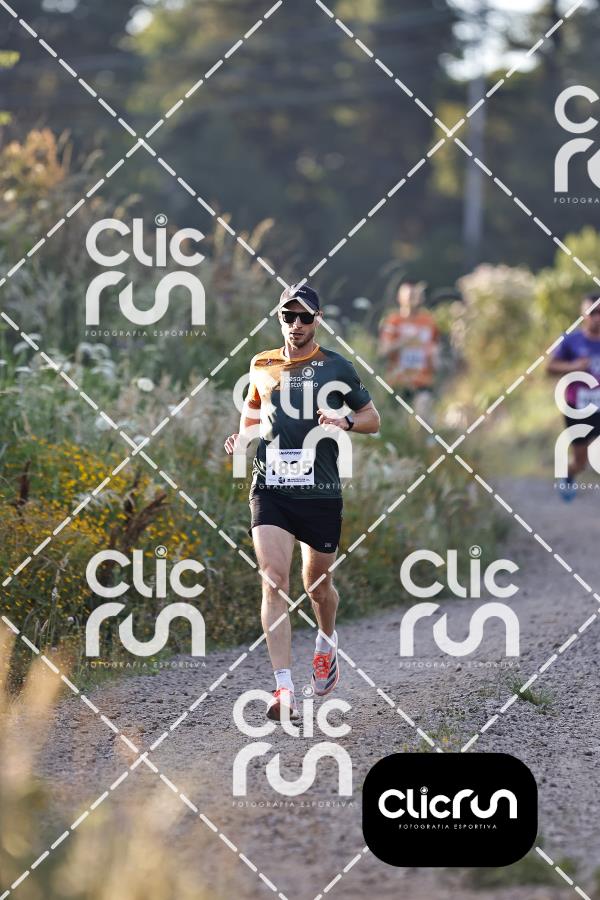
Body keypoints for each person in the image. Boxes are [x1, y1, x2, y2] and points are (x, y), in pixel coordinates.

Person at [224, 284, 381, 721]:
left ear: (318, 319)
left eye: (305, 317)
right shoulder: (261, 364)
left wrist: (345, 421)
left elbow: (373, 419)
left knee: (317, 587)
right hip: (271, 487)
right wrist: (243, 438)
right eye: (288, 316)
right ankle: (283, 689)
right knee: (273, 580)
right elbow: (253, 415)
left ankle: (326, 643)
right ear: (279, 318)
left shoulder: (337, 367)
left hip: (320, 492)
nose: (296, 324)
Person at [547, 292, 600, 500]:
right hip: (578, 407)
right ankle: (569, 475)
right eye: (593, 312)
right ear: (583, 314)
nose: (597, 317)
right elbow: (550, 367)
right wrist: (574, 366)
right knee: (581, 462)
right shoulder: (570, 340)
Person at [377, 279, 440, 421]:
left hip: (422, 380)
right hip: (398, 381)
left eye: (415, 295)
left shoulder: (429, 322)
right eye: (409, 295)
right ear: (400, 298)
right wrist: (403, 342)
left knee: (423, 416)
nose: (413, 298)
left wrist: (435, 358)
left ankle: (423, 435)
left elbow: (435, 348)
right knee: (399, 424)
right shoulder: (393, 321)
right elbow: (383, 351)